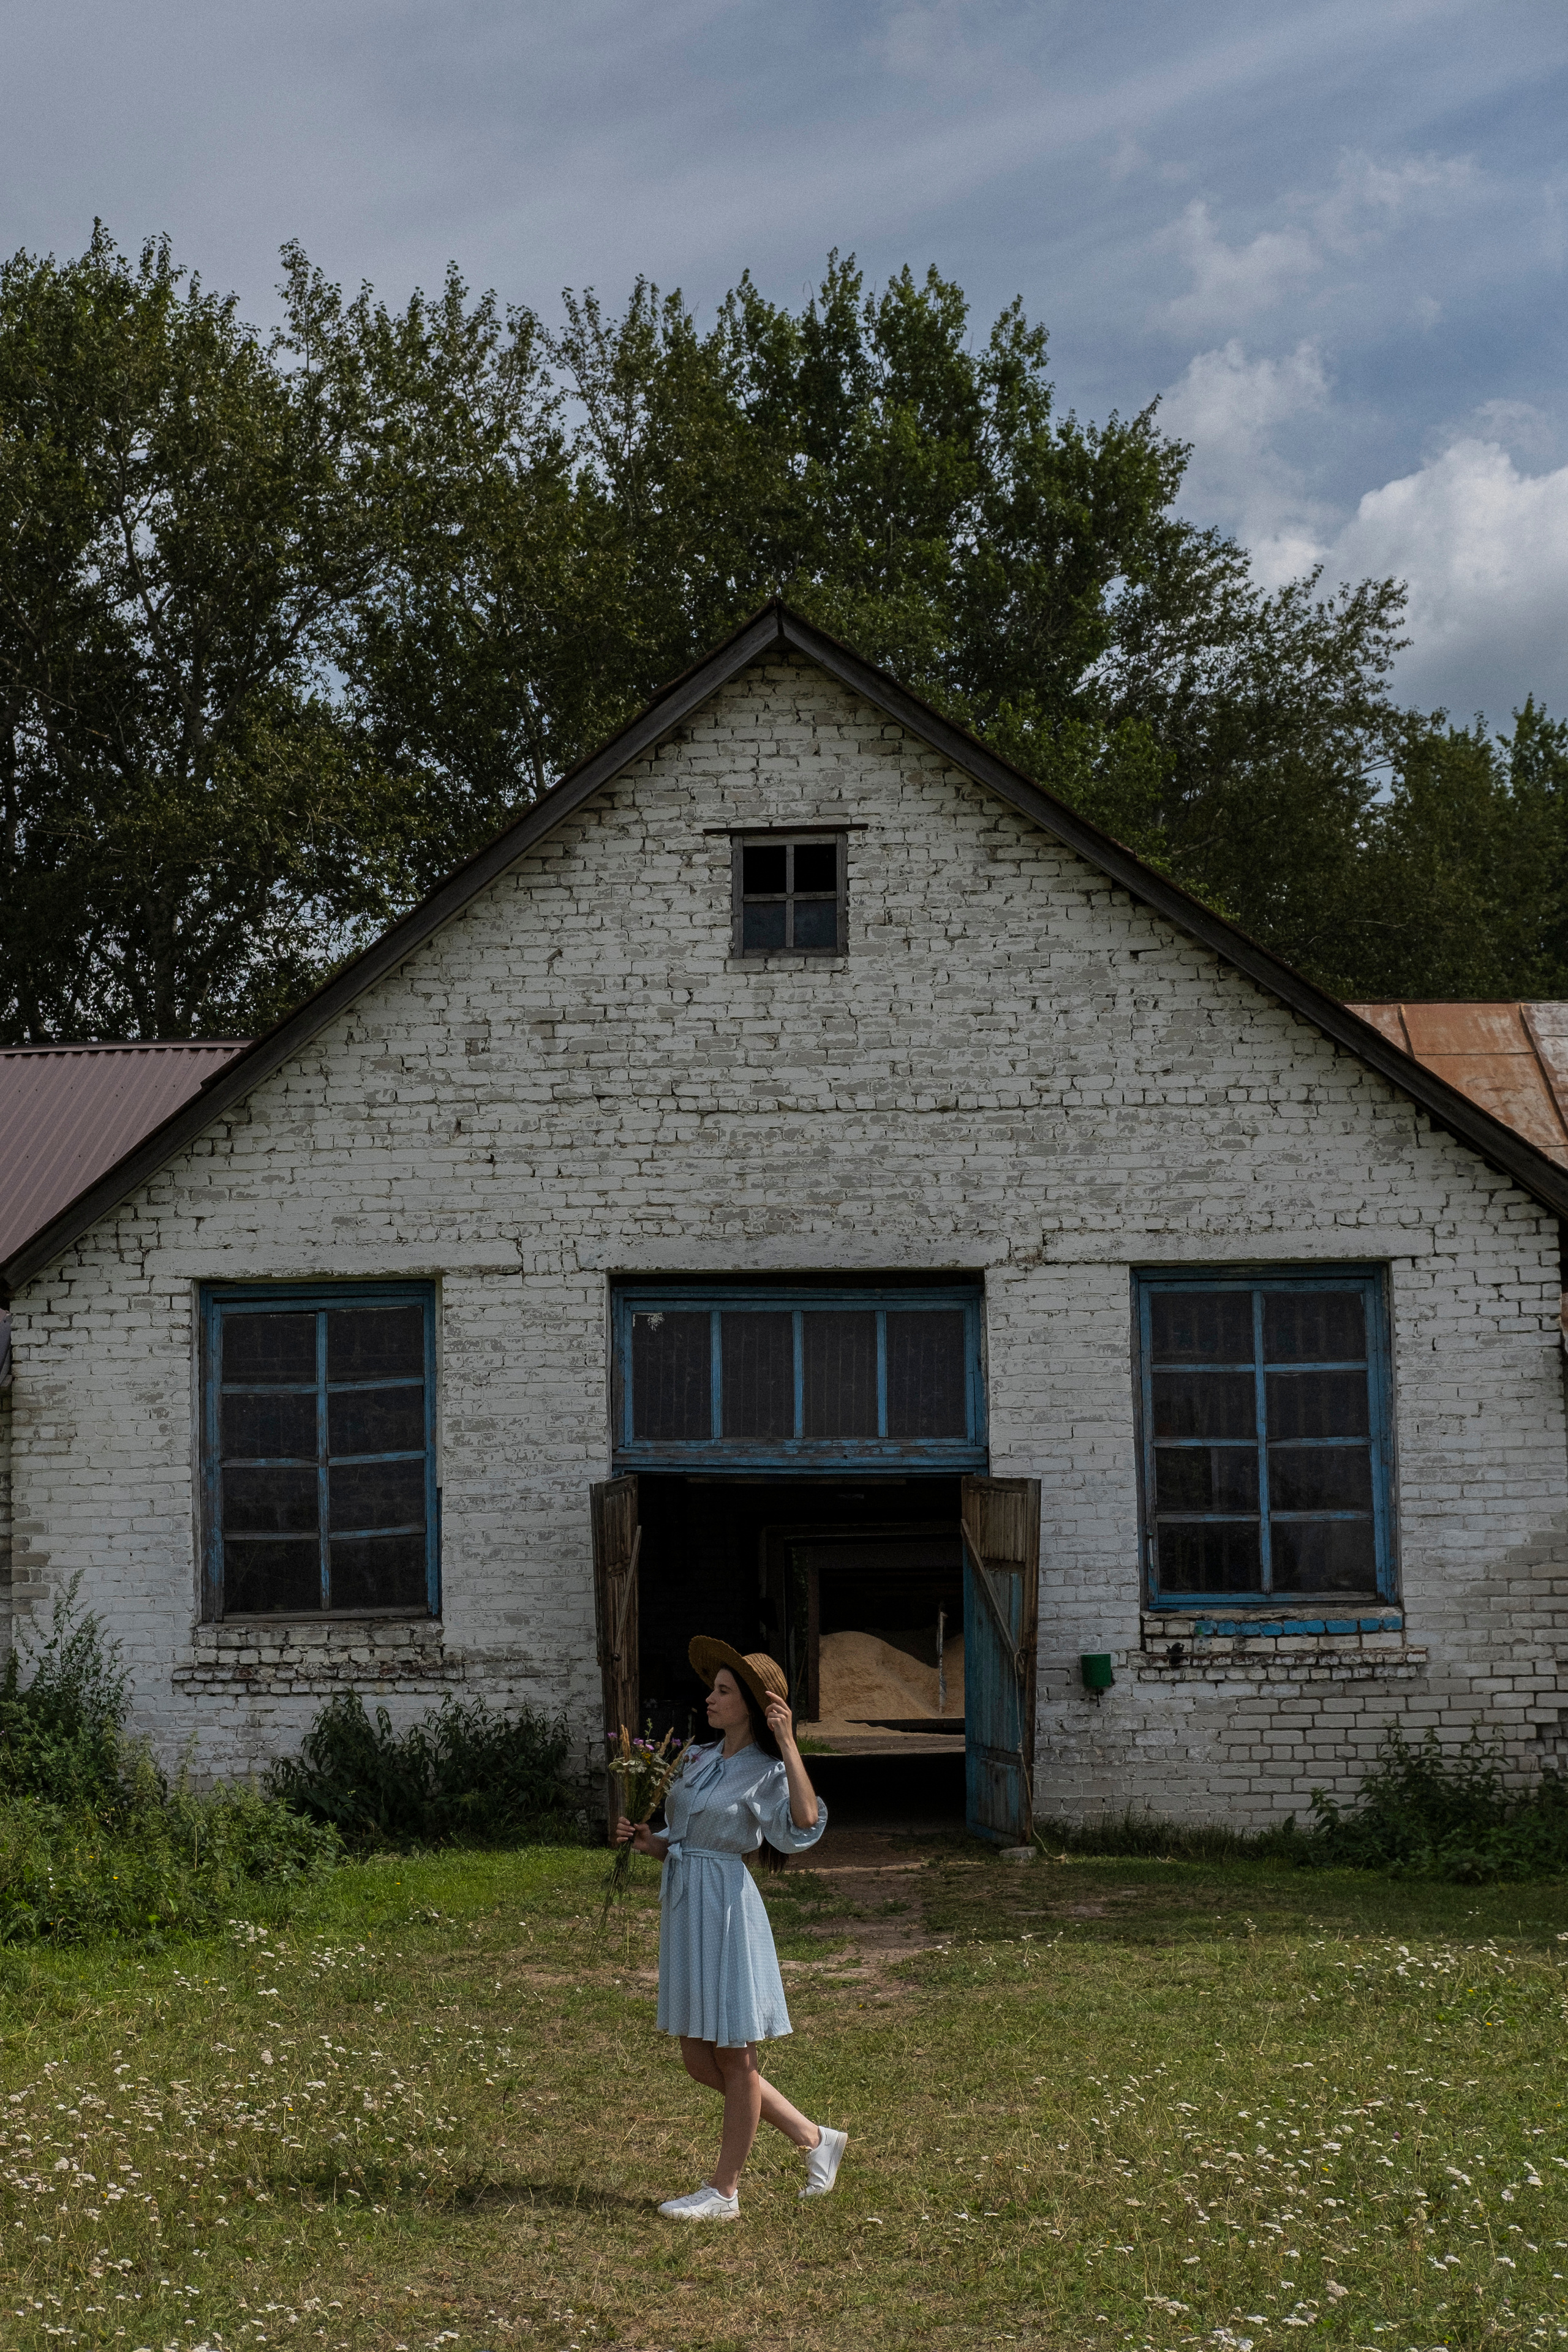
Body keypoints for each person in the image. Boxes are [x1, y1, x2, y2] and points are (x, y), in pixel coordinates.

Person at [615, 1637, 848, 2222]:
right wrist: (652, 1844)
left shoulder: (767, 1770)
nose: (709, 1698)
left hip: (725, 1909)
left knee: (735, 2057)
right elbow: (685, 1836)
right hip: (685, 1903)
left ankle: (724, 2192)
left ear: (750, 1702)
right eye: (713, 1689)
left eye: (723, 1691)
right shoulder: (697, 1758)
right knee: (699, 2060)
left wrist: (791, 1744)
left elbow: (804, 1824)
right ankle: (815, 2138)